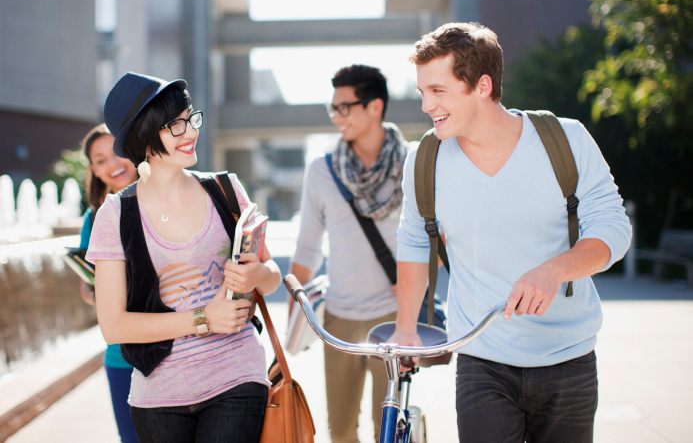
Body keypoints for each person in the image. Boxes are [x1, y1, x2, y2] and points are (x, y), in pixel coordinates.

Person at [390, 23, 633, 443]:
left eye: (438, 91)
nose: (427, 105)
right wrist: (406, 327)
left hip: (569, 357)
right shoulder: (423, 160)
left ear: (482, 85)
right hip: (480, 359)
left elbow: (613, 229)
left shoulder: (566, 140)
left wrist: (555, 270)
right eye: (422, 93)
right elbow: (414, 241)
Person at [86, 72, 281, 443]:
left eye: (190, 118)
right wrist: (204, 318)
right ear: (144, 136)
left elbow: (271, 276)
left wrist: (258, 276)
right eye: (174, 126)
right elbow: (113, 326)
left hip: (236, 374)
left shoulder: (225, 189)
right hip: (157, 391)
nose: (190, 132)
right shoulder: (115, 214)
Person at [290, 64, 409, 443]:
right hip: (339, 319)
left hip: (394, 318)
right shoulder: (322, 170)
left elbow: (437, 236)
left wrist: (412, 292)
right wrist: (291, 322)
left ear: (374, 106)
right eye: (334, 108)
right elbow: (307, 247)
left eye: (345, 107)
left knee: (386, 430)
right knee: (340, 433)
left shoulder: (414, 162)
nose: (337, 117)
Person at [79, 123, 140, 443]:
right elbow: (87, 288)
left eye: (117, 152)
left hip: (177, 348)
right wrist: (96, 292)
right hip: (121, 356)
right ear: (93, 170)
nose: (113, 164)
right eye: (100, 160)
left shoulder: (167, 203)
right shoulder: (93, 219)